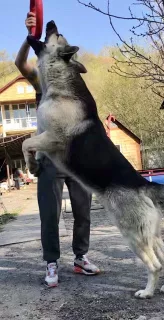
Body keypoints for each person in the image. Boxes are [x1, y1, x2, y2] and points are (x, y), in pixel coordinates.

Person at [15, 12, 100, 288]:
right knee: (49, 213)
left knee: (83, 210)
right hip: (50, 157)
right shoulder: (42, 81)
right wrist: (30, 38)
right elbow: (19, 63)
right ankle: (51, 262)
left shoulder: (70, 79)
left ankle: (80, 258)